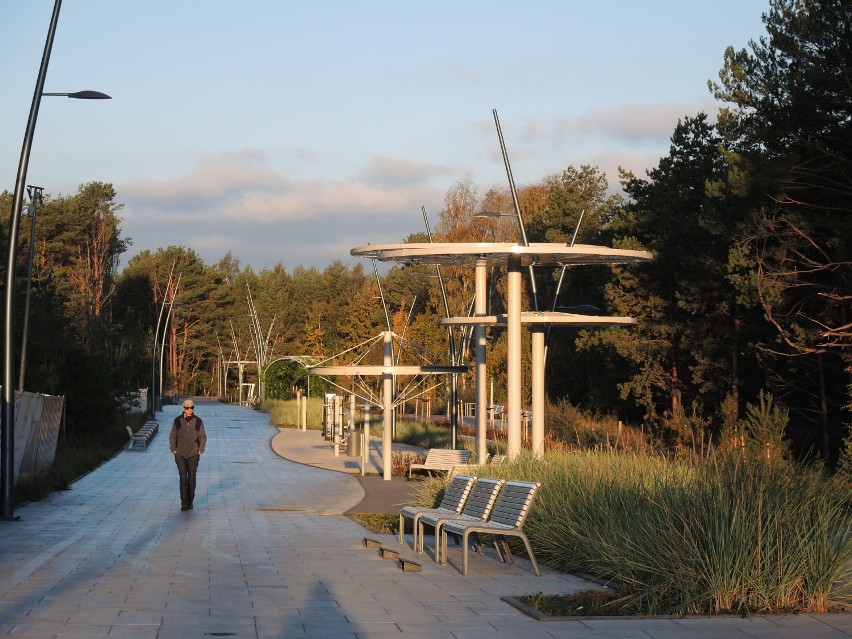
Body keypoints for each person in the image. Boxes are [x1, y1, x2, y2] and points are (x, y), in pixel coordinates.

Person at [168, 400, 207, 511]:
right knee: (183, 478)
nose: (189, 409)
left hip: (193, 453)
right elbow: (172, 436)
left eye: (191, 407)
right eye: (187, 407)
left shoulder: (198, 421)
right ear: (183, 408)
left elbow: (203, 437)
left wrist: (200, 449)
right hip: (180, 453)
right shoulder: (177, 421)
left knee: (192, 479)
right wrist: (173, 449)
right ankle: (184, 503)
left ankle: (190, 501)